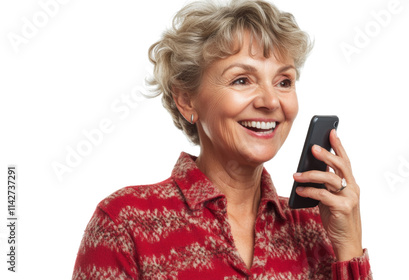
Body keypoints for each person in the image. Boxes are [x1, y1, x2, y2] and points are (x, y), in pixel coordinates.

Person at [72, 0, 372, 279]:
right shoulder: (125, 223)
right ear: (187, 100)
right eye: (242, 79)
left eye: (284, 82)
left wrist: (348, 248)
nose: (270, 101)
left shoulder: (316, 227)